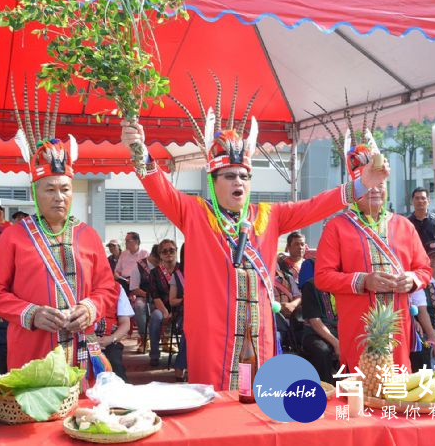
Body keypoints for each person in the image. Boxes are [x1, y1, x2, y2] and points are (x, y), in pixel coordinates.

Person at [120, 83, 389, 390]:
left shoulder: (268, 215)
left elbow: (315, 206)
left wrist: (359, 186)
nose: (240, 182)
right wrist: (138, 148)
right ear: (213, 180)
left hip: (258, 336)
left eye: (245, 176)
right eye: (231, 175)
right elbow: (161, 189)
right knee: (215, 416)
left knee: (257, 410)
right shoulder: (195, 213)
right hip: (213, 339)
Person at [0, 106, 117, 378]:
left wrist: (90, 308)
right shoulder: (14, 236)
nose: (59, 197)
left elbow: (108, 289)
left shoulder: (88, 235)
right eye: (50, 189)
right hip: (32, 351)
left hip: (82, 352)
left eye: (65, 189)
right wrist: (30, 313)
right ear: (35, 192)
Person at [315, 181, 432, 373]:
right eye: (367, 184)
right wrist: (363, 281)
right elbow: (322, 276)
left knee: (398, 389)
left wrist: (412, 280)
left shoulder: (404, 225)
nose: (375, 189)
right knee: (360, 389)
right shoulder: (337, 226)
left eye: (380, 184)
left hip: (399, 328)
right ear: (354, 190)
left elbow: (424, 268)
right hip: (358, 327)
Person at [300, 258, 339, 384]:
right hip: (315, 333)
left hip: (339, 331)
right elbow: (315, 322)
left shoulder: (341, 285)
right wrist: (336, 343)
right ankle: (325, 389)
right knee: (322, 351)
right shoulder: (310, 286)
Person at [148, 239, 180, 367]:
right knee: (156, 317)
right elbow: (155, 296)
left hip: (180, 306)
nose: (168, 253)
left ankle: (185, 355)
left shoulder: (183, 269)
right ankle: (154, 354)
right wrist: (166, 312)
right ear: (160, 254)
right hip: (162, 307)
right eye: (164, 251)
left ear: (176, 251)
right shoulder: (154, 273)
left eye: (171, 250)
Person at [95, 283, 134, 382]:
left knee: (115, 367)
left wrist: (110, 339)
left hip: (109, 341)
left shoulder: (117, 288)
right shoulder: (77, 284)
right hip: (81, 341)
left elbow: (125, 323)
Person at [275, 232, 306, 351]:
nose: (300, 247)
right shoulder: (282, 265)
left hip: (297, 314)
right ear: (288, 247)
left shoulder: (310, 265)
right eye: (296, 244)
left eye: (302, 244)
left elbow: (299, 295)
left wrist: (292, 305)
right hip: (275, 317)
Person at [129, 244, 159, 353]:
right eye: (158, 261)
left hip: (161, 298)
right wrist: (149, 295)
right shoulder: (139, 266)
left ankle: (166, 336)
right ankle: (144, 338)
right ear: (153, 256)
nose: (160, 263)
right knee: (139, 306)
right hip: (144, 297)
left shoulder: (164, 265)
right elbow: (134, 288)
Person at [408, 187, 435, 262]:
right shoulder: (407, 222)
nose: (420, 201)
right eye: (417, 198)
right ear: (412, 201)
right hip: (414, 263)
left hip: (434, 262)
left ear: (428, 200)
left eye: (423, 198)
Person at [168, 249, 186, 381]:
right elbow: (172, 301)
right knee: (190, 329)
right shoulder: (177, 275)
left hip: (203, 315)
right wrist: (184, 300)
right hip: (183, 314)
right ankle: (180, 366)